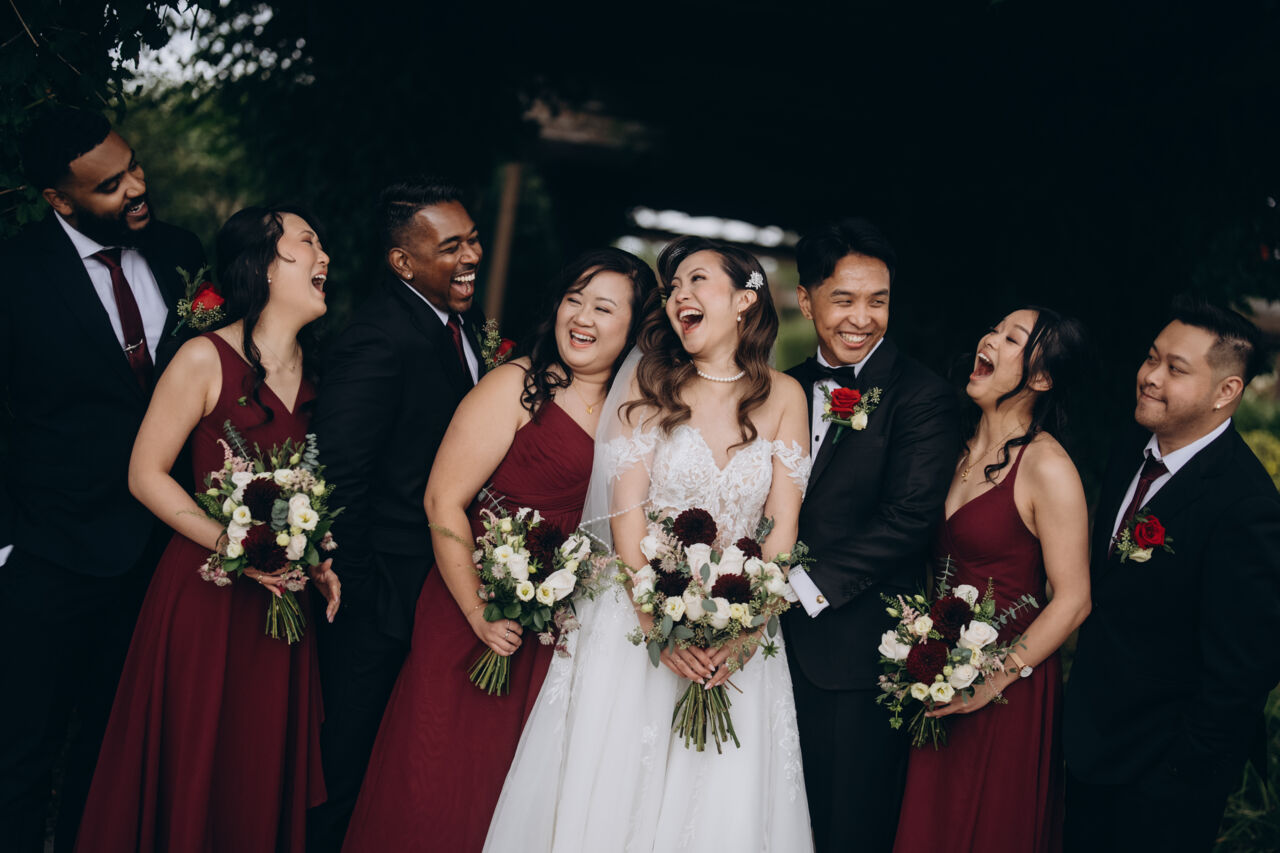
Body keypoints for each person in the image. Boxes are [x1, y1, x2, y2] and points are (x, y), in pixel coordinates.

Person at [486, 236, 814, 852]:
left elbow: (783, 525)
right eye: (673, 287)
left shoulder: (786, 397)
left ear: (745, 299)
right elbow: (625, 512)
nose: (679, 294)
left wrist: (749, 628)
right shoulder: (648, 380)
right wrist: (657, 621)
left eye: (697, 280)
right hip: (634, 620)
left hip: (740, 630)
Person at [342, 248, 658, 853]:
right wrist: (477, 609)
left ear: (635, 328)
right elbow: (442, 500)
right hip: (475, 602)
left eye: (603, 308)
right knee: (437, 778)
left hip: (561, 626)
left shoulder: (638, 413)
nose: (581, 317)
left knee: (514, 794)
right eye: (574, 299)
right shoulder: (517, 386)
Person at [73, 205, 342, 852]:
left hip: (279, 610)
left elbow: (306, 494)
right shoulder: (203, 357)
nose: (325, 257)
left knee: (253, 772)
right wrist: (235, 543)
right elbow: (145, 474)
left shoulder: (319, 377)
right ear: (265, 265)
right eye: (308, 242)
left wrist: (316, 557)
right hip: (206, 598)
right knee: (196, 764)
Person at [0, 105, 205, 853]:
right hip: (48, 555)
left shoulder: (181, 253)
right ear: (58, 199)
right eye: (111, 185)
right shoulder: (13, 274)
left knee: (113, 753)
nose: (137, 188)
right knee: (21, 756)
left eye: (134, 167)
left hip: (155, 557)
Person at [308, 177, 486, 851]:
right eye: (452, 246)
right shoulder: (378, 339)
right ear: (402, 262)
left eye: (473, 239)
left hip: (428, 587)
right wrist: (362, 591)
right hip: (380, 596)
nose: (471, 256)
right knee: (346, 766)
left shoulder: (456, 326)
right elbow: (340, 476)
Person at [1064, 300, 1280, 853]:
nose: (1150, 377)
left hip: (1163, 779)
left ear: (1226, 391)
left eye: (1175, 369)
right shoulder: (1131, 449)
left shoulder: (1246, 505)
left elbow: (1243, 670)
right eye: (1151, 358)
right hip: (1088, 747)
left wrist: (1180, 775)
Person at [782, 217, 960, 852]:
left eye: (878, 301)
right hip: (763, 648)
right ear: (807, 301)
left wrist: (798, 587)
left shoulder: (923, 397)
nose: (862, 318)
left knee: (845, 829)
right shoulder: (782, 387)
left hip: (854, 658)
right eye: (844, 300)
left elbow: (908, 519)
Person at [893, 307, 1093, 852]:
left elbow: (1074, 600)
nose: (991, 338)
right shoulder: (954, 450)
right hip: (939, 674)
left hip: (1008, 689)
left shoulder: (1047, 466)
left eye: (1013, 339)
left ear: (1041, 378)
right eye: (995, 329)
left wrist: (991, 680)